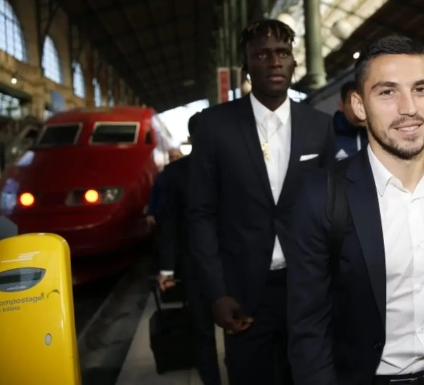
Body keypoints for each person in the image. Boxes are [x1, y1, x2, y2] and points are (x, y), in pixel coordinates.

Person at [286, 34, 424, 385]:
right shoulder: (322, 194)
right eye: (387, 92)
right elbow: (309, 326)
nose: (409, 108)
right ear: (359, 105)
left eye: (421, 89)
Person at [187, 19, 335, 385]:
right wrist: (217, 293)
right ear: (246, 66)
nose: (274, 62)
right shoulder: (214, 126)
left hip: (307, 289)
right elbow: (200, 214)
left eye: (282, 53)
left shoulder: (320, 126)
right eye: (262, 54)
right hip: (243, 294)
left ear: (294, 63)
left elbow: (332, 209)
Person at [156, 112, 221, 385]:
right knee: (216, 327)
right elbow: (169, 223)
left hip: (200, 262)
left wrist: (167, 269)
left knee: (205, 329)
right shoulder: (230, 167)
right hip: (217, 262)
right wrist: (167, 268)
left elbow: (168, 224)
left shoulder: (175, 173)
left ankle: (214, 378)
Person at [334, 81, 368, 160]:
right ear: (341, 106)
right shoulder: (329, 139)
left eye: (362, 102)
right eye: (352, 102)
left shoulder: (381, 132)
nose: (359, 108)